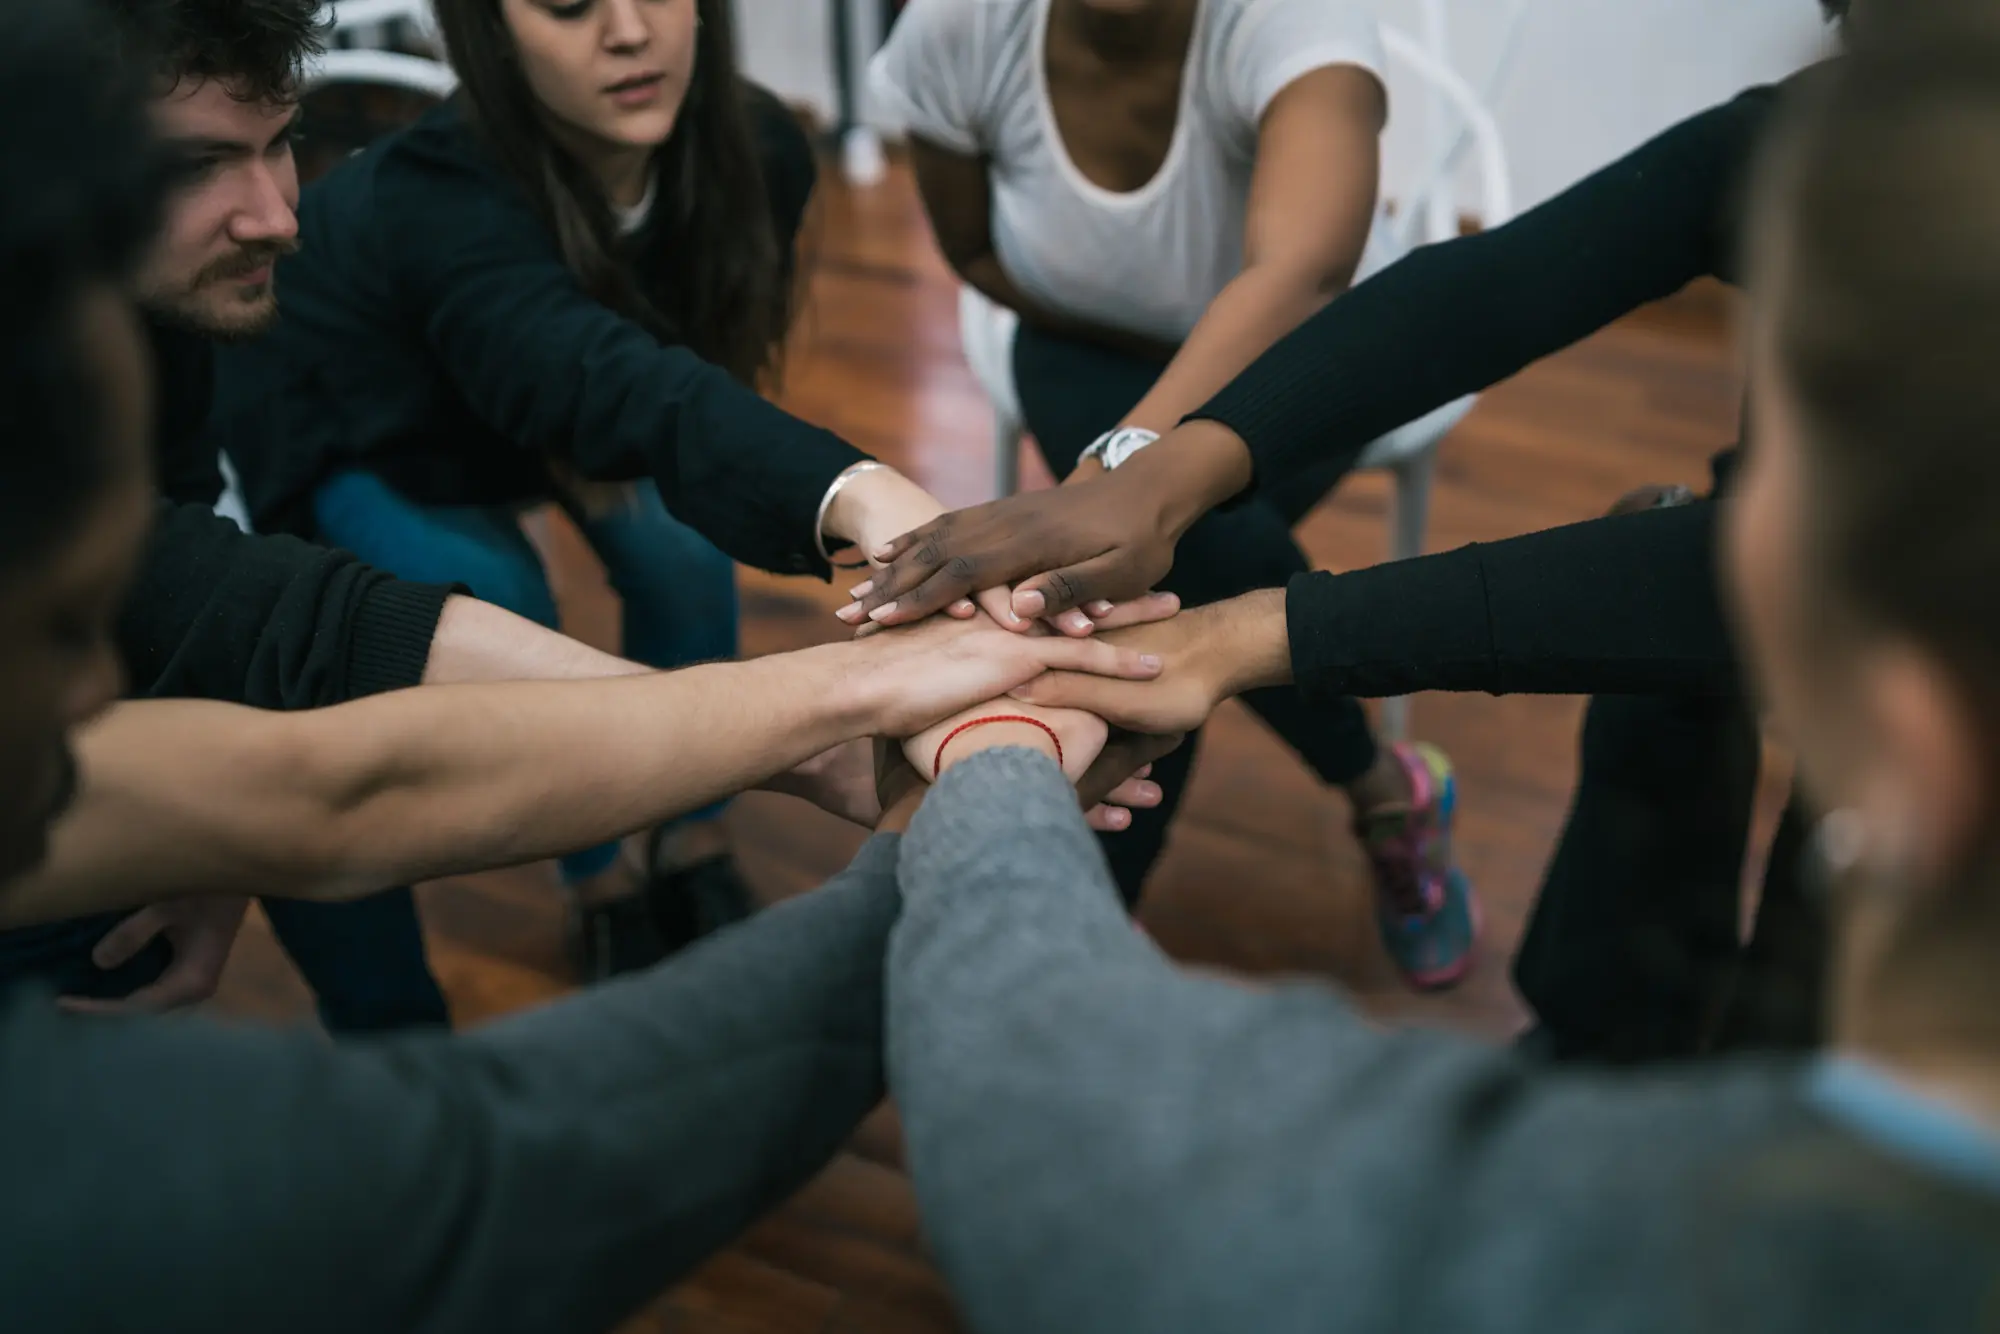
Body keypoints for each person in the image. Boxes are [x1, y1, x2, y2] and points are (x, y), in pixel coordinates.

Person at [0, 6, 1170, 1324]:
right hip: (387, 450)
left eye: (286, 145)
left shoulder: (110, 314)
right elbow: (309, 729)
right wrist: (886, 752)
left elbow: (230, 666)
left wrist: (843, 704)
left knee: (667, 567)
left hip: (541, 452)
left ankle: (668, 853)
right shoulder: (415, 202)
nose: (281, 213)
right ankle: (409, 1008)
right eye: (199, 164)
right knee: (462, 600)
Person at [879, 8, 2000, 1326]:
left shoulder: (1500, 1229)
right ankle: (1598, 1019)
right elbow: (1507, 282)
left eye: (1769, 479)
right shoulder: (1843, 154)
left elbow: (1037, 1092)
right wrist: (1167, 473)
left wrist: (1002, 761)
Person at [855, 0, 1856, 1062]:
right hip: (1822, 628)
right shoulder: (1823, 136)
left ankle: (1116, 906)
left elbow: (1778, 581)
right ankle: (1399, 817)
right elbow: (1496, 287)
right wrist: (1149, 482)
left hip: (1906, 720)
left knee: (1821, 1025)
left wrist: (1243, 631)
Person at [208, 0, 1111, 979]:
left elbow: (665, 367)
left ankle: (691, 840)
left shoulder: (761, 144)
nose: (630, 30)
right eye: (568, 5)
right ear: (485, 32)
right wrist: (859, 488)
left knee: (684, 565)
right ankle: (596, 876)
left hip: (589, 404)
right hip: (387, 424)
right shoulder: (428, 190)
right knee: (497, 607)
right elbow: (587, 369)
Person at [865, 0, 1476, 989]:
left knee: (1171, 552)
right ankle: (1383, 790)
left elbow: (1305, 268)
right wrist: (1131, 444)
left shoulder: (1291, 21)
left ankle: (1090, 927)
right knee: (1179, 563)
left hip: (1295, 363)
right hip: (1078, 342)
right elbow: (974, 254)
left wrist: (1127, 470)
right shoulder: (958, 25)